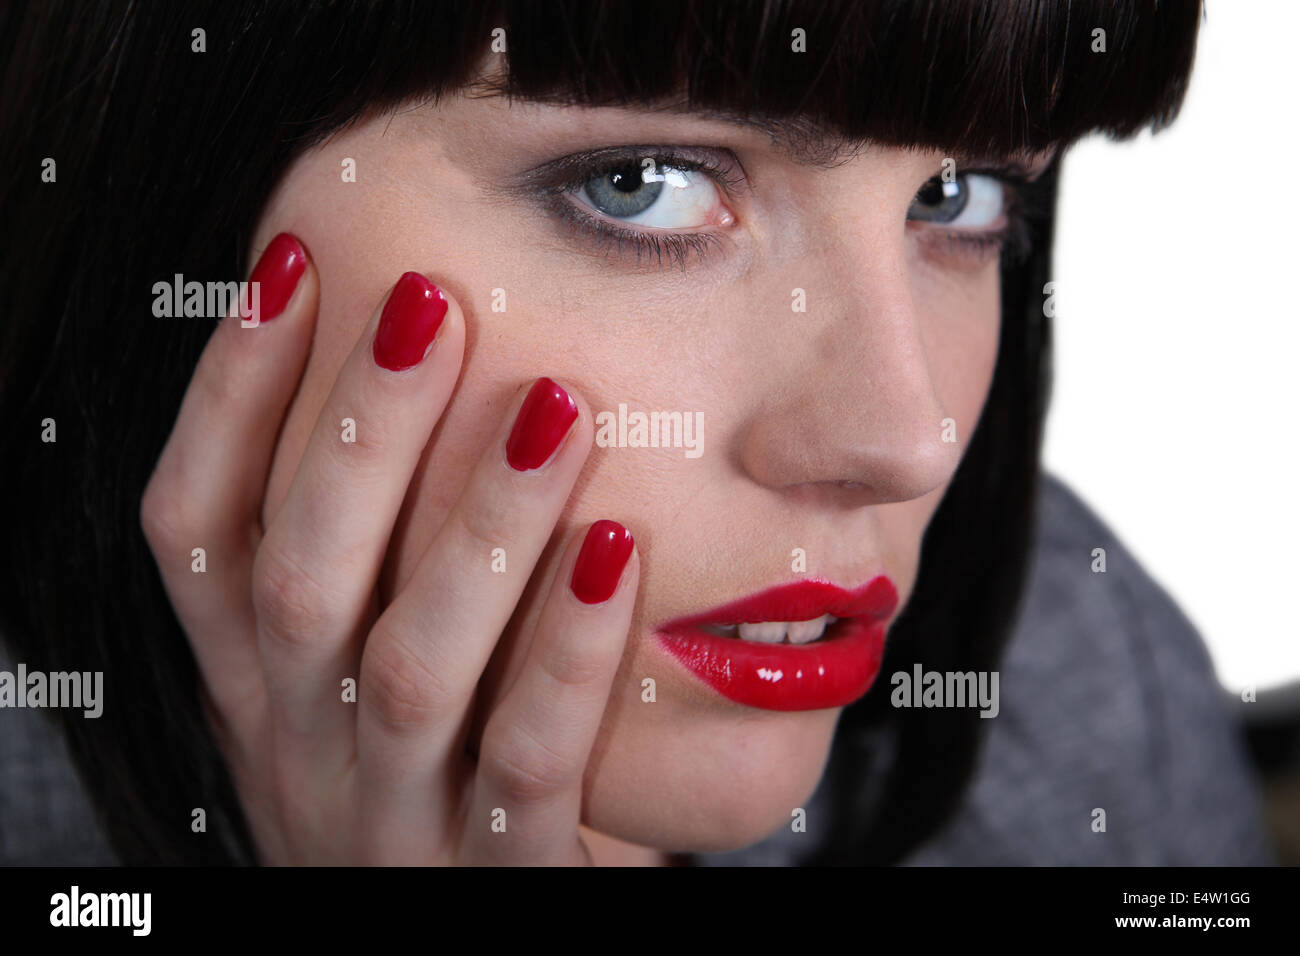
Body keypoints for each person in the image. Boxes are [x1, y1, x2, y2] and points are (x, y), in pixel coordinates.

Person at [0, 0, 1271, 865]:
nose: (906, 437)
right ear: (171, 188)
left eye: (959, 194)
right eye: (642, 182)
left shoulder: (1079, 677)